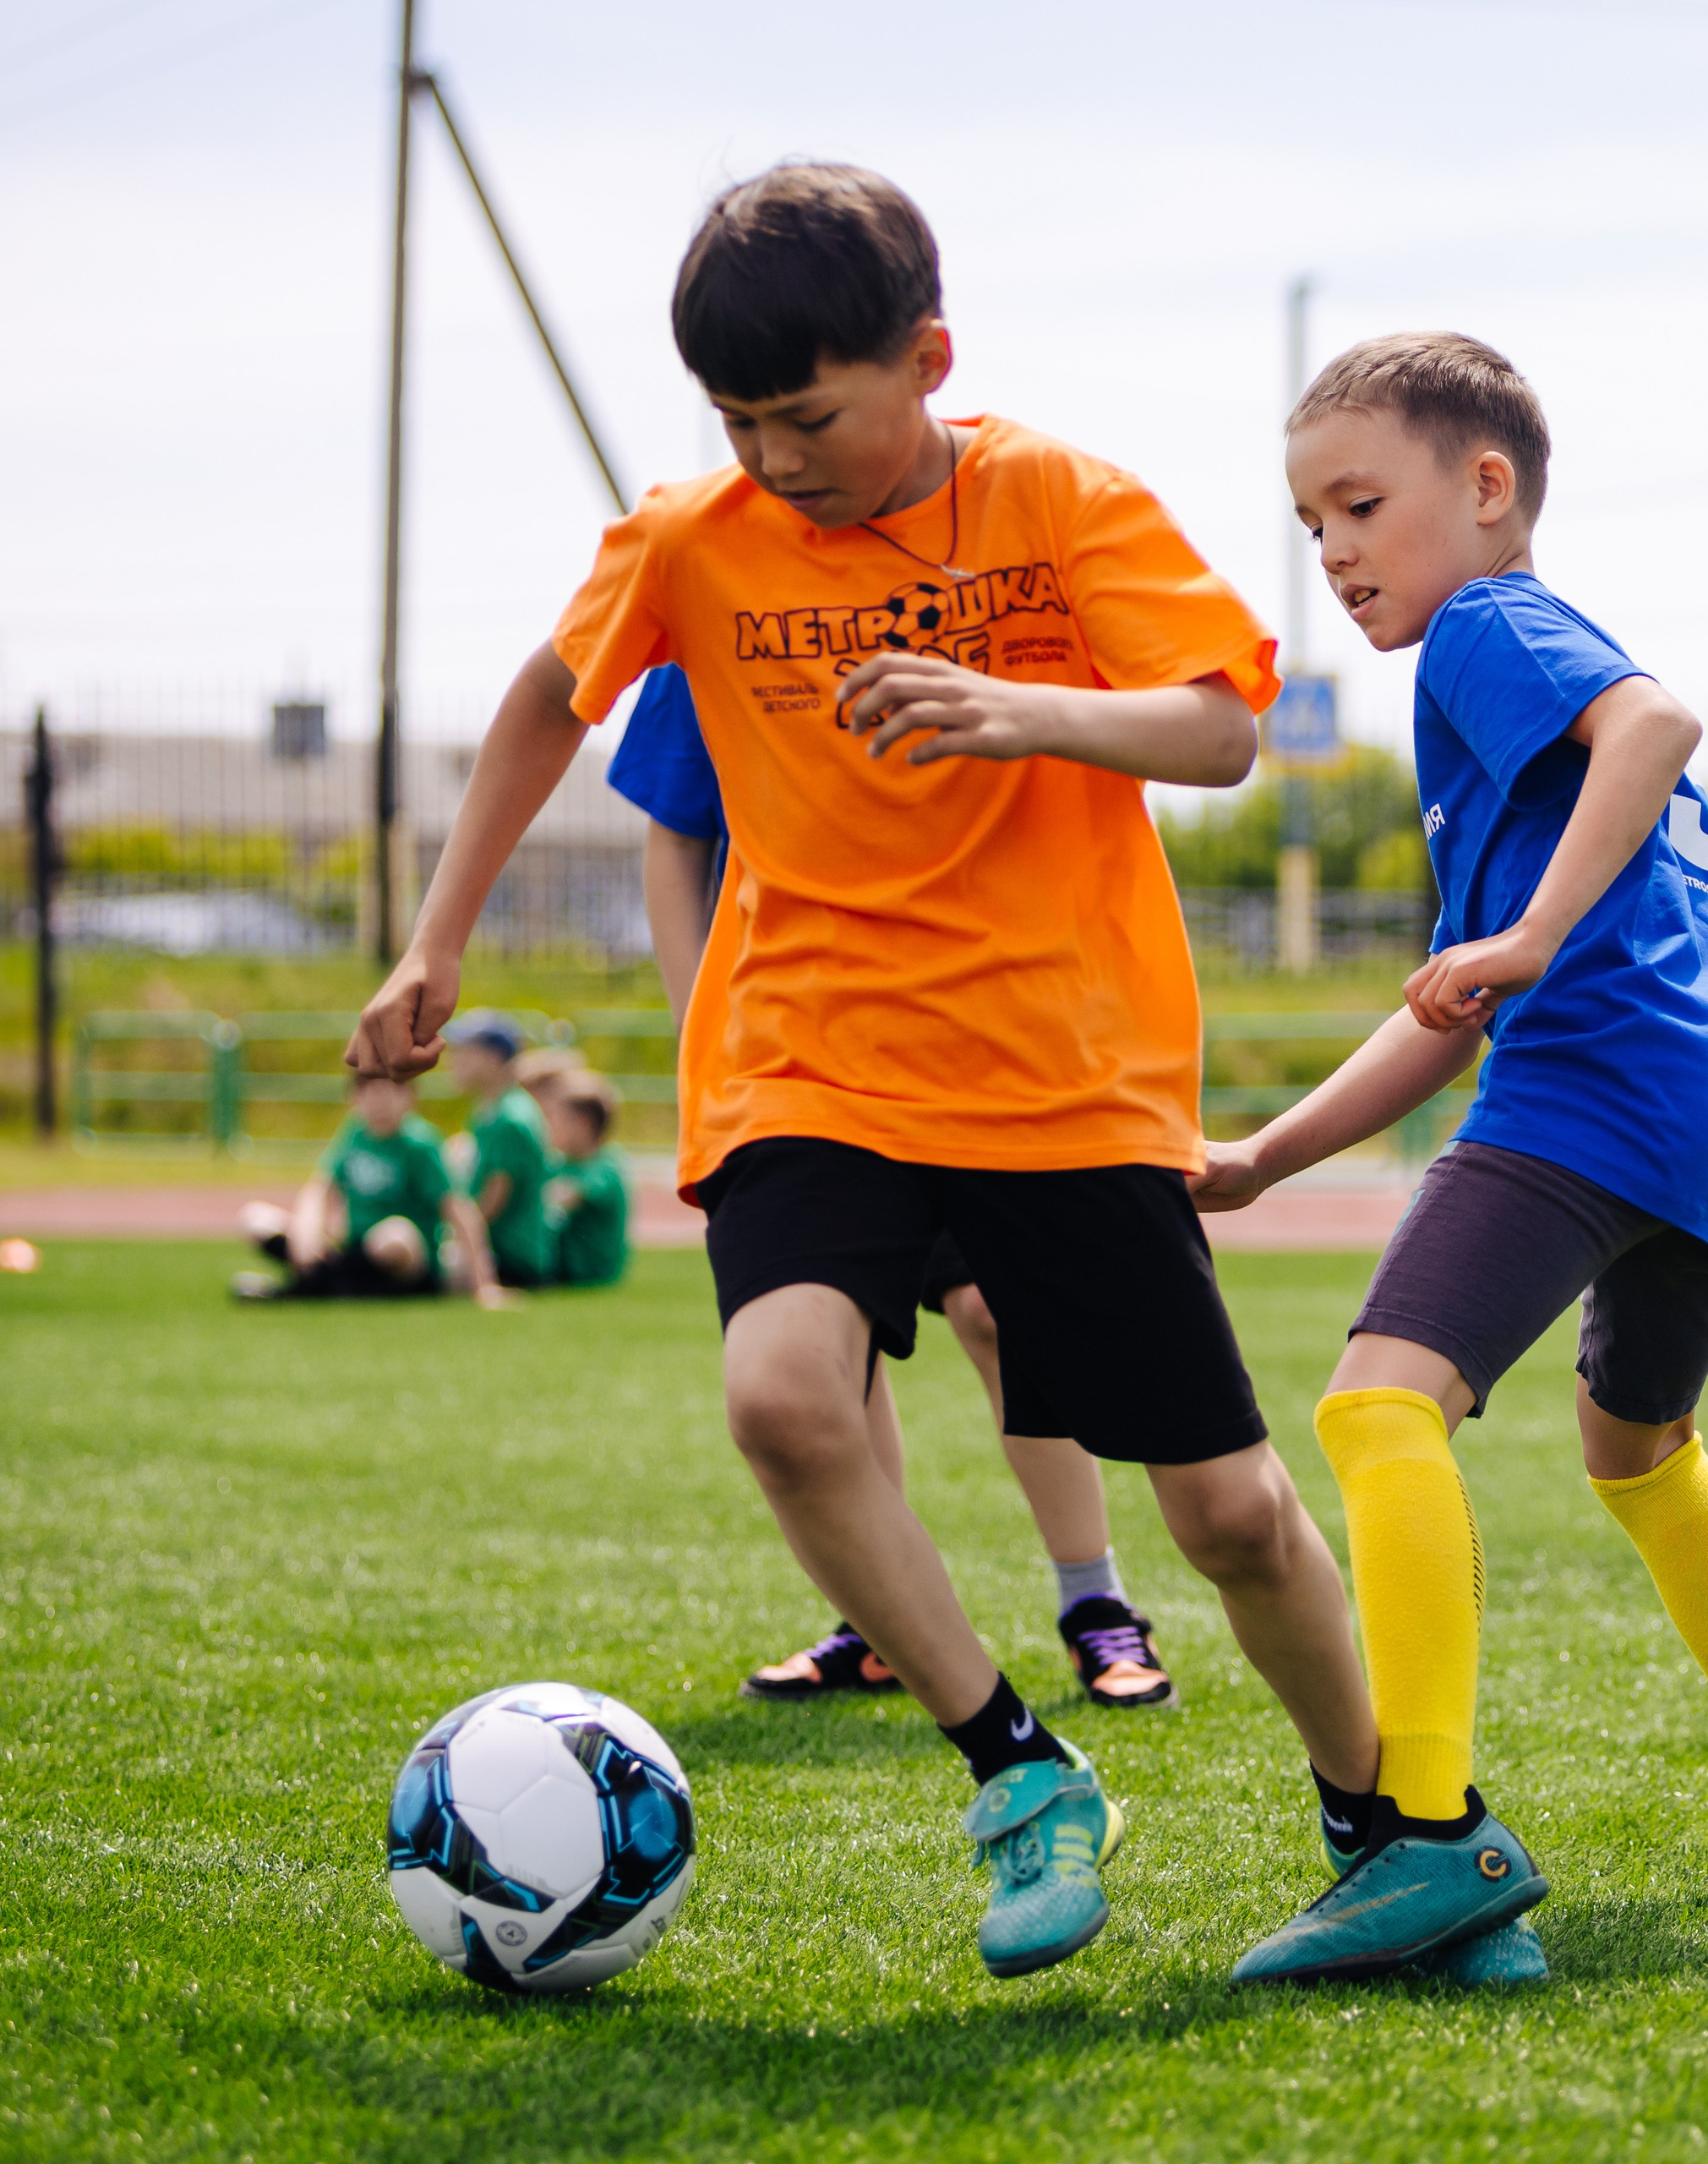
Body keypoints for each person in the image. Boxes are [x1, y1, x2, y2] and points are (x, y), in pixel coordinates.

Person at [347, 161, 1378, 1982]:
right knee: (783, 1398)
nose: (772, 455)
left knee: (1222, 1510)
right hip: (807, 1053)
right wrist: (437, 937)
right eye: (737, 420)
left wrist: (1021, 707)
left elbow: (1221, 725)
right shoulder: (690, 536)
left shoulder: (1053, 496)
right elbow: (540, 702)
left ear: (926, 357)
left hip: (1058, 1072)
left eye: (806, 415)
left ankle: (1395, 1820)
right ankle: (1014, 1763)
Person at [1193, 332, 1708, 1988]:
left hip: (1599, 1088)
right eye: (1310, 526)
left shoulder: (1483, 627)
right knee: (1639, 1454)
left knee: (1378, 1403)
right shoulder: (1504, 696)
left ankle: (1431, 1837)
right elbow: (1447, 1008)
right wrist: (1267, 1154)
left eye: (1360, 505)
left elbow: (1653, 722)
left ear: (1488, 489)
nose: (1334, 555)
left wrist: (1524, 935)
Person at [609, 663, 1177, 1710]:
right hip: (795, 1063)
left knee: (995, 1310)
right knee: (825, 1346)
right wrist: (708, 1039)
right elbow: (677, 830)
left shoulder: (962, 577)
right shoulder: (713, 590)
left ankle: (1095, 1601)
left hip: (970, 1035)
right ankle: (875, 1627)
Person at [232, 1073, 508, 1307]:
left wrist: (484, 1284)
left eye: (389, 1094)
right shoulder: (355, 1132)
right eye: (369, 1094)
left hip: (403, 1258)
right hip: (353, 1251)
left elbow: (457, 1208)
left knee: (395, 1236)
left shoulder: (421, 1144)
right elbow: (321, 1187)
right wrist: (308, 1233)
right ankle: (330, 1283)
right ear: (354, 1098)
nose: (379, 1104)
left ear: (409, 1097)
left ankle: (303, 1289)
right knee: (255, 1217)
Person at [443, 1011, 558, 1290]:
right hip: (499, 1249)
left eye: (465, 1052)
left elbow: (495, 1196)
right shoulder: (490, 1109)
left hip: (511, 1256)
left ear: (493, 1057)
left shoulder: (509, 1117)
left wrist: (457, 1239)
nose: (453, 1061)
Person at [542, 1070, 634, 1288]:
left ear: (582, 1123)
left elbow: (566, 1195)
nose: (549, 1126)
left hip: (590, 1271)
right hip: (566, 1267)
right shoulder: (562, 1162)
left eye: (556, 1118)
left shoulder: (606, 1166)